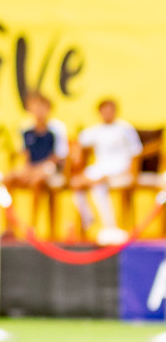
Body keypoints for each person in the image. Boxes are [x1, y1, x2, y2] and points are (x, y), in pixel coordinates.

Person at [70, 97, 142, 245]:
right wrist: (76, 156)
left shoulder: (125, 128)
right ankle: (89, 217)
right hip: (100, 168)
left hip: (120, 170)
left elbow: (136, 151)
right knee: (75, 183)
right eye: (104, 110)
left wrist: (133, 174)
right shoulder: (95, 130)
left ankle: (110, 226)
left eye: (110, 110)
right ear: (99, 112)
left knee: (97, 184)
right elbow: (76, 142)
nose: (107, 113)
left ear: (116, 111)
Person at [3, 92, 68, 238]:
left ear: (49, 109)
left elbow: (59, 156)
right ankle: (9, 227)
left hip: (51, 168)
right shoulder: (24, 128)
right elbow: (25, 154)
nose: (38, 111)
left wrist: (38, 169)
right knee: (7, 179)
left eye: (42, 107)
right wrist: (27, 169)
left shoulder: (57, 128)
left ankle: (32, 226)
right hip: (31, 167)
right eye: (35, 107)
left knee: (37, 180)